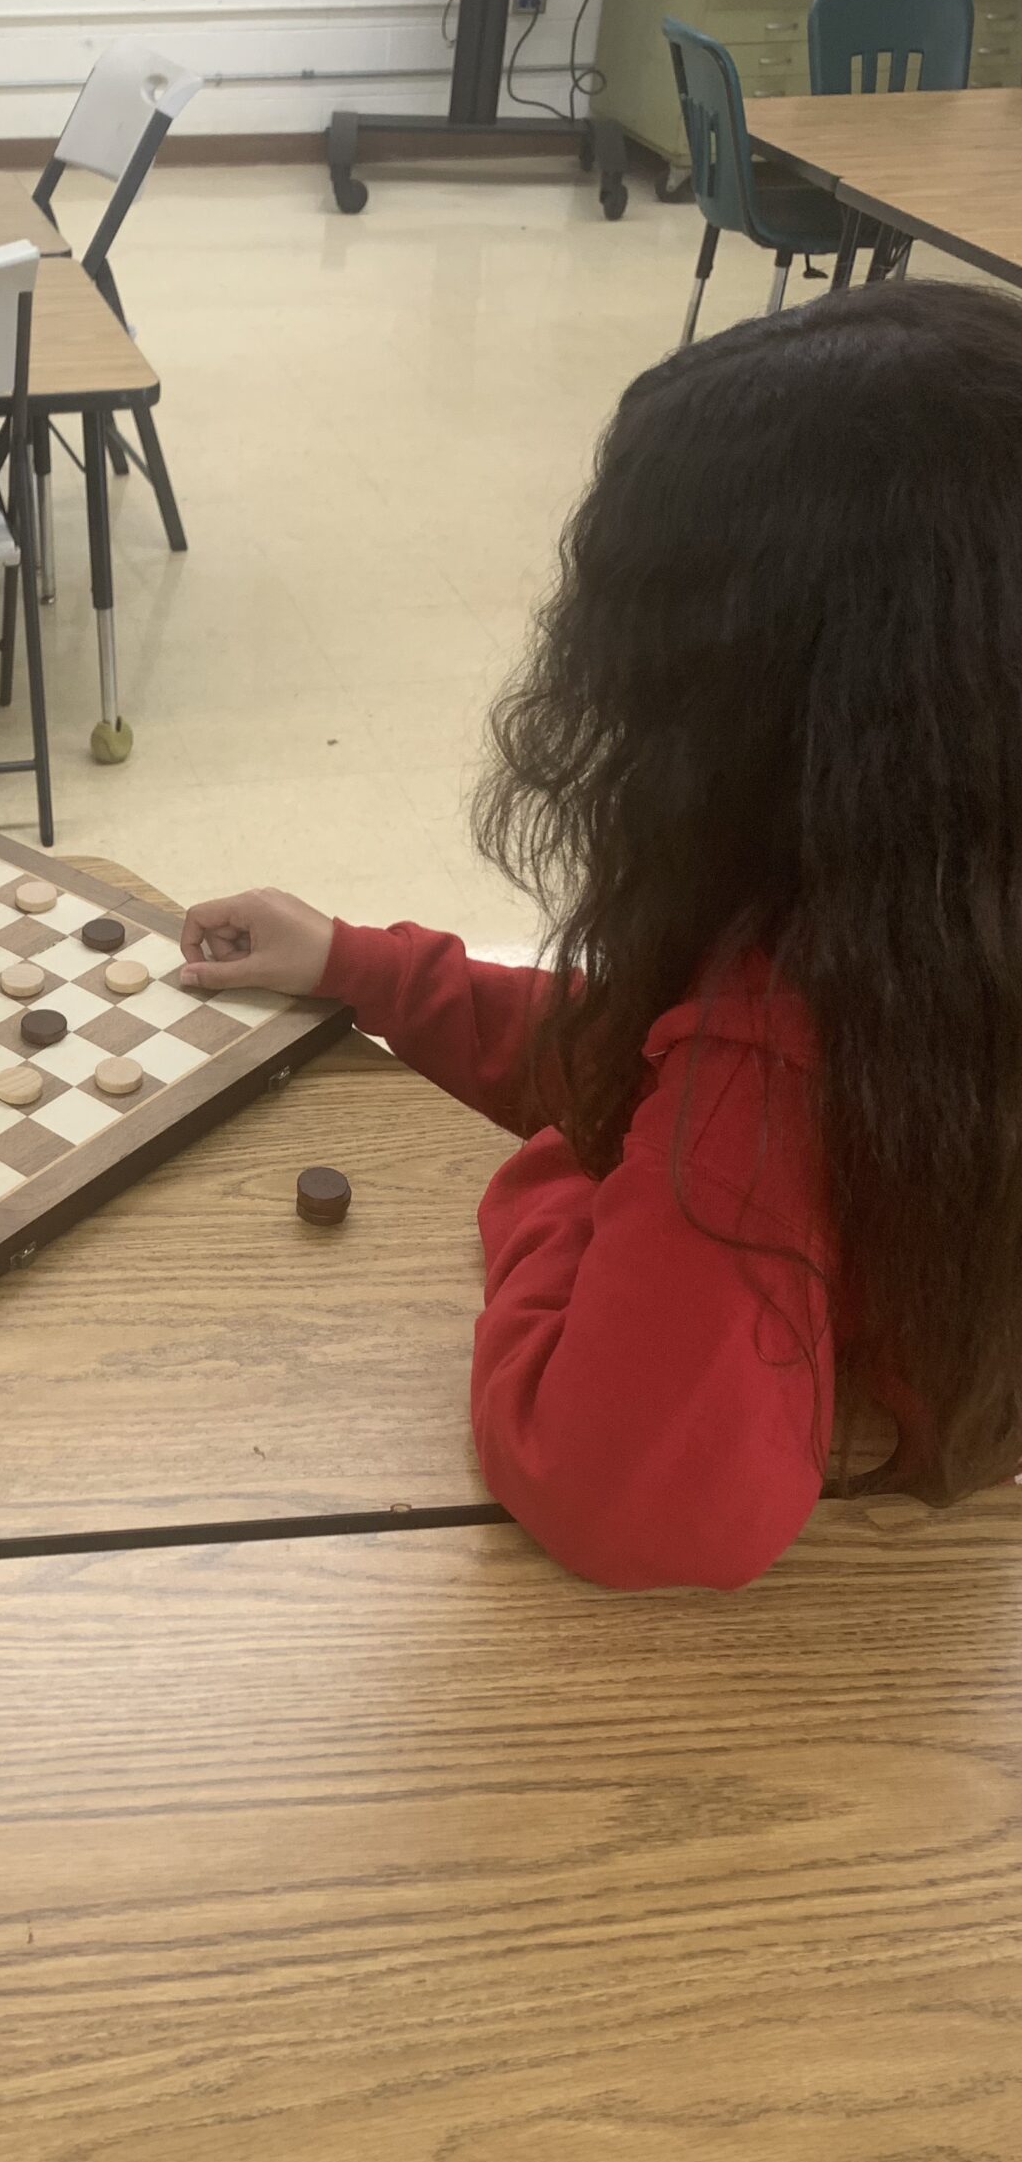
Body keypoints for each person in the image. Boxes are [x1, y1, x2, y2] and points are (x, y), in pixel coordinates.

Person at [180, 282, 1022, 1591]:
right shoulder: (936, 920)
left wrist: (574, 1172)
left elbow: (619, 1500)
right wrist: (366, 968)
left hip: (826, 1640)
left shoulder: (763, 1063)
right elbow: (659, 1047)